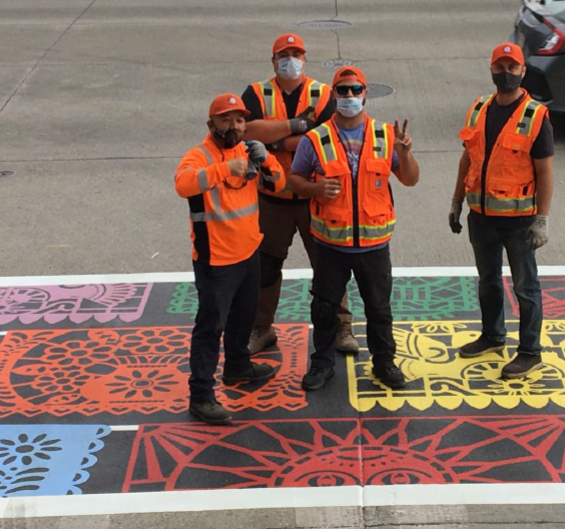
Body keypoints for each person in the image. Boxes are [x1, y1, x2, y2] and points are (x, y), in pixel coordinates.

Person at [287, 66, 420, 391]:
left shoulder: (386, 135)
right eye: (343, 90)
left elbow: (410, 179)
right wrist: (316, 189)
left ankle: (384, 362)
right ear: (334, 95)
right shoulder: (315, 139)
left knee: (379, 307)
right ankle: (322, 364)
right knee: (324, 307)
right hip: (331, 244)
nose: (349, 96)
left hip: (374, 245)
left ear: (365, 93)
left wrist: (405, 154)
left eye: (355, 90)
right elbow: (294, 179)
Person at [174, 93, 287, 425]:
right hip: (216, 261)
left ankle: (237, 367)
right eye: (226, 120)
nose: (234, 126)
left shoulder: (247, 151)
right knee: (210, 328)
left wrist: (267, 160)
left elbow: (278, 185)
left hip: (249, 252)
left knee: (243, 317)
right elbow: (182, 184)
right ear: (212, 124)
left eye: (239, 120)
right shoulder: (199, 156)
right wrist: (224, 169)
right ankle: (201, 396)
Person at [242, 33, 356, 356]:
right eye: (283, 55)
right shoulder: (256, 93)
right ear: (273, 60)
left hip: (315, 196)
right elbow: (248, 132)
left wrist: (274, 140)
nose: (290, 60)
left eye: (296, 54)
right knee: (265, 267)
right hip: (271, 197)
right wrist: (296, 125)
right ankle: (262, 328)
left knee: (328, 267)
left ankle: (341, 326)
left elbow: (325, 137)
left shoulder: (322, 94)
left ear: (305, 59)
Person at [448, 43, 555, 380]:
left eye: (512, 67)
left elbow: (545, 171)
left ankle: (529, 352)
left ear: (523, 71)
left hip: (519, 221)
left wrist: (542, 219)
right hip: (481, 216)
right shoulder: (479, 108)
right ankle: (493, 337)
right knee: (488, 281)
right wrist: (456, 201)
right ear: (491, 69)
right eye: (500, 67)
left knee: (526, 288)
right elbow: (468, 157)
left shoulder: (535, 115)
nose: (505, 73)